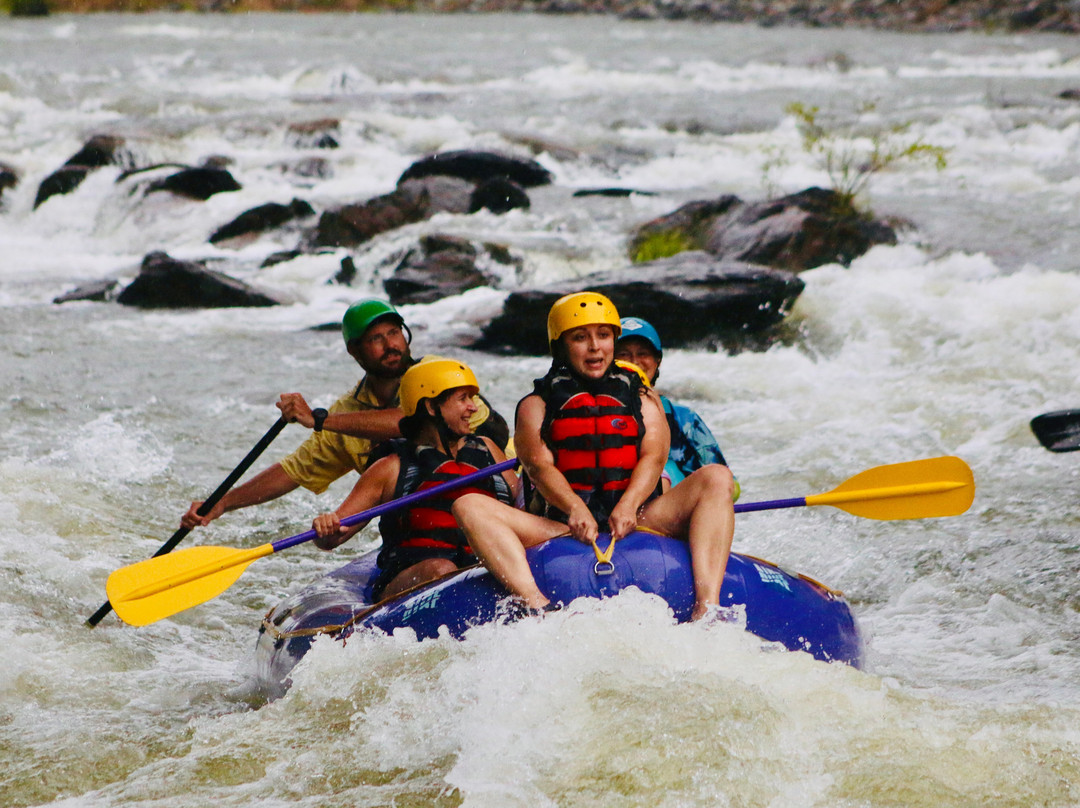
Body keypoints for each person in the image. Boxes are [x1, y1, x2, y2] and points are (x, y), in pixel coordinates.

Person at [452, 292, 736, 620]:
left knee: (717, 477)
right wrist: (574, 508)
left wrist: (629, 505)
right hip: (560, 526)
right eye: (580, 337)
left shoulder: (642, 397)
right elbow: (539, 467)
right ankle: (536, 604)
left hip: (639, 519)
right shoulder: (536, 405)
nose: (595, 347)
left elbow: (654, 458)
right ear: (560, 345)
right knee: (467, 505)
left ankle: (707, 608)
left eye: (603, 335)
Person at [181, 298, 506, 529]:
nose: (390, 345)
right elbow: (293, 472)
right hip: (424, 525)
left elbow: (407, 421)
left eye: (394, 333)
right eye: (375, 339)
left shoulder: (440, 376)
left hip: (495, 499)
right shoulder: (349, 412)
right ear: (355, 351)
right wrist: (223, 502)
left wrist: (319, 420)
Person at [312, 358, 519, 601]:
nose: (473, 408)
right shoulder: (390, 468)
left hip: (484, 568)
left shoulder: (487, 449)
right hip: (415, 579)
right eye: (462, 399)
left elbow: (521, 506)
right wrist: (326, 527)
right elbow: (333, 537)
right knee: (442, 570)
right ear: (431, 407)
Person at [614, 316, 738, 496]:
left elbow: (728, 485)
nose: (634, 361)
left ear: (657, 362)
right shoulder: (591, 411)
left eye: (643, 354)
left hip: (672, 508)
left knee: (666, 470)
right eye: (623, 354)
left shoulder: (683, 418)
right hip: (612, 503)